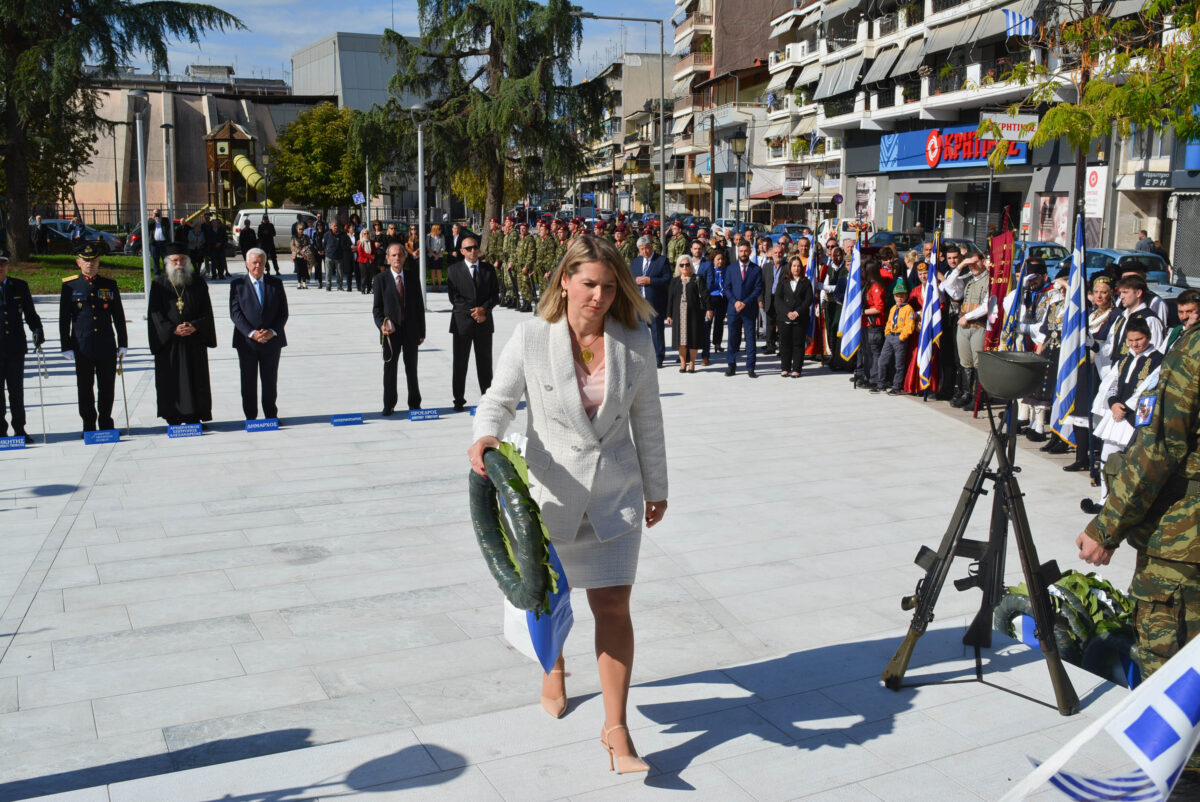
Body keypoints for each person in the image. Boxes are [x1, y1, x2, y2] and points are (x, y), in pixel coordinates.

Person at [467, 234, 667, 777]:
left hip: (614, 498)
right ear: (564, 281)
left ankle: (616, 727)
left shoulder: (635, 341)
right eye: (589, 285)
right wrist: (485, 436)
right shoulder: (533, 336)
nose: (599, 297)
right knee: (552, 599)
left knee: (614, 606)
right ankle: (552, 665)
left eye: (610, 287)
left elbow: (648, 419)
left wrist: (657, 487)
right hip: (550, 497)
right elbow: (499, 398)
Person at [1076, 317, 1200, 794]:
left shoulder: (1194, 351)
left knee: (1174, 671)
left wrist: (1107, 526)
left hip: (1185, 547)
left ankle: (1179, 781)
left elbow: (1161, 447)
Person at [59, 243, 128, 434]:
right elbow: (64, 318)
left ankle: (106, 422)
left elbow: (118, 316)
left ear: (99, 262)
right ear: (78, 262)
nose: (90, 264)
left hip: (106, 343)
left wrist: (123, 343)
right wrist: (66, 345)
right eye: (86, 260)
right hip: (83, 344)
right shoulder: (70, 285)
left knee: (107, 386)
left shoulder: (109, 284)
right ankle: (88, 424)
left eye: (94, 260)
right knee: (85, 387)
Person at [147, 243, 216, 426]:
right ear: (168, 262)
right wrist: (172, 329)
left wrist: (194, 326)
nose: (179, 263)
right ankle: (173, 416)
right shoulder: (159, 284)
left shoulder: (198, 283)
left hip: (194, 341)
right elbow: (155, 315)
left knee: (195, 378)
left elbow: (207, 311)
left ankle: (194, 415)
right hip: (170, 344)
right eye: (175, 260)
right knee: (171, 379)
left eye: (183, 260)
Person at [229, 249, 288, 421]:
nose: (258, 266)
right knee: (248, 380)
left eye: (261, 262)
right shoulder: (238, 285)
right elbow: (235, 314)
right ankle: (251, 417)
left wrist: (272, 331)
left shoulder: (275, 283)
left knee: (270, 380)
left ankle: (271, 415)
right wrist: (252, 333)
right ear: (247, 264)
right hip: (247, 342)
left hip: (272, 341)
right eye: (254, 262)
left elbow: (283, 312)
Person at [447, 235, 499, 411]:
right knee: (460, 363)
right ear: (462, 251)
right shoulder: (453, 270)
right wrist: (475, 312)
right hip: (462, 323)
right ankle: (458, 399)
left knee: (485, 363)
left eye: (475, 247)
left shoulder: (488, 269)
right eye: (468, 248)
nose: (473, 251)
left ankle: (487, 398)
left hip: (484, 322)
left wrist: (483, 310)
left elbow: (495, 295)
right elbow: (455, 298)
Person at [373, 242, 426, 415]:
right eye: (393, 255)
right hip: (391, 332)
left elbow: (419, 306)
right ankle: (389, 404)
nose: (397, 258)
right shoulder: (380, 279)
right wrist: (381, 325)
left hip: (411, 331)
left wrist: (422, 331)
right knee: (390, 369)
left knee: (412, 368)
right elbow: (377, 309)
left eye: (400, 255)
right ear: (388, 258)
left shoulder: (412, 277)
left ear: (404, 257)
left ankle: (415, 403)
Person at [0, 255, 44, 442]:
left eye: (2, 264)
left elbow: (30, 314)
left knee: (16, 391)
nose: (0, 268)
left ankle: (20, 429)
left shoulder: (19, 286)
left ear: (8, 265)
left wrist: (37, 329)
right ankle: (1, 431)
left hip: (15, 347)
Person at [950, 254, 992, 408]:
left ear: (983, 261)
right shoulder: (968, 279)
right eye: (970, 264)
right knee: (965, 362)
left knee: (978, 363)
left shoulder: (989, 279)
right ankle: (967, 393)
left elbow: (987, 305)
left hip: (978, 325)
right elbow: (949, 286)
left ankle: (978, 397)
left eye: (975, 262)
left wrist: (967, 316)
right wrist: (960, 266)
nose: (972, 266)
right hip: (964, 326)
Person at [630, 235, 670, 368]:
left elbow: (667, 279)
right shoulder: (635, 262)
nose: (645, 251)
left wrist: (650, 280)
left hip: (655, 302)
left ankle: (659, 357)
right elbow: (629, 279)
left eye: (647, 248)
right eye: (642, 249)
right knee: (639, 331)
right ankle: (641, 356)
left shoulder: (662, 261)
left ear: (651, 247)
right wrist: (635, 280)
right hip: (639, 303)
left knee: (657, 331)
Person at [724, 241, 763, 378]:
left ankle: (751, 367)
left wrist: (744, 303)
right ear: (738, 252)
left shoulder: (756, 269)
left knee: (750, 339)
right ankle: (731, 366)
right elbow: (727, 288)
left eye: (746, 251)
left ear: (750, 252)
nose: (743, 253)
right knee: (733, 338)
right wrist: (735, 302)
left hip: (749, 309)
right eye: (741, 251)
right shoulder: (731, 268)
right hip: (733, 309)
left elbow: (758, 289)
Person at [666, 254, 709, 373]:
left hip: (694, 314)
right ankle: (683, 363)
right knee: (681, 340)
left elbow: (705, 295)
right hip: (678, 314)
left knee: (693, 339)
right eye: (682, 265)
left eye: (687, 264)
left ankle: (692, 363)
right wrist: (669, 314)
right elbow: (670, 299)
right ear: (678, 267)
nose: (684, 267)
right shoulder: (674, 281)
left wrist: (709, 309)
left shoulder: (697, 278)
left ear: (691, 266)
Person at [873, 279, 917, 394]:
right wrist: (887, 333)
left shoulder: (908, 309)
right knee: (882, 361)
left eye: (902, 296)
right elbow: (889, 322)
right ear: (894, 297)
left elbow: (910, 325)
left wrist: (902, 337)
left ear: (906, 296)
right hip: (890, 337)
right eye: (897, 296)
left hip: (900, 338)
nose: (899, 298)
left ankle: (896, 386)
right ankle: (881, 384)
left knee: (899, 364)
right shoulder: (893, 308)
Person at [774, 255, 813, 378]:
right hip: (784, 318)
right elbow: (778, 299)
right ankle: (785, 368)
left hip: (800, 318)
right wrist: (787, 312)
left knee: (798, 344)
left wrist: (797, 312)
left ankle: (797, 369)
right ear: (790, 267)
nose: (796, 268)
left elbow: (808, 299)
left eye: (798, 266)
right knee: (785, 344)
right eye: (794, 266)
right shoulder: (783, 281)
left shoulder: (806, 282)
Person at [852, 258, 887, 390]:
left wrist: (862, 312)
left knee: (874, 353)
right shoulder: (869, 286)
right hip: (866, 324)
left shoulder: (876, 287)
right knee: (867, 352)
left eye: (863, 270)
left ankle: (875, 379)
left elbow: (879, 308)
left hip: (874, 325)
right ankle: (868, 377)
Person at [761, 243, 785, 355]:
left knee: (782, 325)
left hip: (782, 300)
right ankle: (770, 346)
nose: (778, 254)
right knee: (770, 324)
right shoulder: (766, 267)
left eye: (780, 253)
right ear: (772, 254)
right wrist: (760, 299)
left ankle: (782, 348)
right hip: (769, 299)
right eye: (775, 253)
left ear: (783, 254)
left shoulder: (787, 266)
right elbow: (762, 284)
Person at [323, 220, 349, 292]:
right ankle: (328, 285)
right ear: (331, 227)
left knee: (340, 272)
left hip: (339, 256)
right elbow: (324, 244)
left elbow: (345, 244)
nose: (336, 227)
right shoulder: (327, 234)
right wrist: (327, 251)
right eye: (334, 226)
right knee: (328, 272)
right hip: (329, 256)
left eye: (337, 226)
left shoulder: (342, 234)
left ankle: (339, 286)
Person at [355, 229, 376, 295]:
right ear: (362, 235)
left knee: (370, 275)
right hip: (362, 261)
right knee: (364, 275)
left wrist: (373, 256)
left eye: (367, 233)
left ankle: (369, 289)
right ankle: (363, 289)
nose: (366, 235)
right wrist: (370, 256)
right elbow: (361, 253)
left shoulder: (372, 242)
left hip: (371, 261)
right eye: (364, 233)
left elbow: (374, 251)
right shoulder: (359, 242)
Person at [428, 223, 446, 293]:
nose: (440, 230)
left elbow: (443, 246)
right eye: (439, 229)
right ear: (435, 229)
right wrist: (434, 255)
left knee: (439, 271)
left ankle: (440, 287)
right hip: (431, 255)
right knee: (433, 271)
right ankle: (434, 286)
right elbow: (428, 247)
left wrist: (438, 255)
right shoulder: (429, 236)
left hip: (439, 255)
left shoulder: (442, 236)